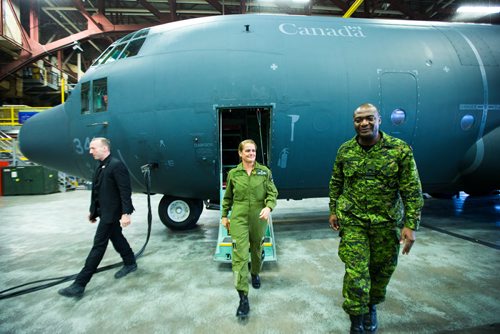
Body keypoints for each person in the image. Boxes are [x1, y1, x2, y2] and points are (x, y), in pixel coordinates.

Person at [328, 103, 424, 333]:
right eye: (359, 119)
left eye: (369, 118)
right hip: (354, 221)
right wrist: (333, 209)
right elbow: (336, 182)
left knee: (381, 271)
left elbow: (412, 189)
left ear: (379, 119)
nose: (364, 123)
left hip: (386, 222)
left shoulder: (399, 150)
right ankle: (357, 320)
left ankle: (371, 306)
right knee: (356, 271)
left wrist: (410, 225)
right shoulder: (345, 151)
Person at [58, 137, 137, 298]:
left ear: (104, 149)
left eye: (93, 148)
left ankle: (79, 284)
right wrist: (93, 211)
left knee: (98, 246)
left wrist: (126, 213)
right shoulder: (100, 166)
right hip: (105, 212)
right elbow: (97, 191)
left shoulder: (116, 165)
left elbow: (124, 191)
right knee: (116, 238)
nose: (90, 151)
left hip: (111, 214)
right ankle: (130, 262)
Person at [221, 139, 278, 318]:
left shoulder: (264, 172)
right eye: (247, 151)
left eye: (253, 151)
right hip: (238, 218)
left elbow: (272, 193)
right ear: (240, 153)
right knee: (239, 255)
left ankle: (255, 273)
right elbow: (228, 197)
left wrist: (268, 207)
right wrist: (224, 215)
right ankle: (243, 298)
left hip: (258, 217)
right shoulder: (233, 174)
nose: (251, 153)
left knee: (256, 248)